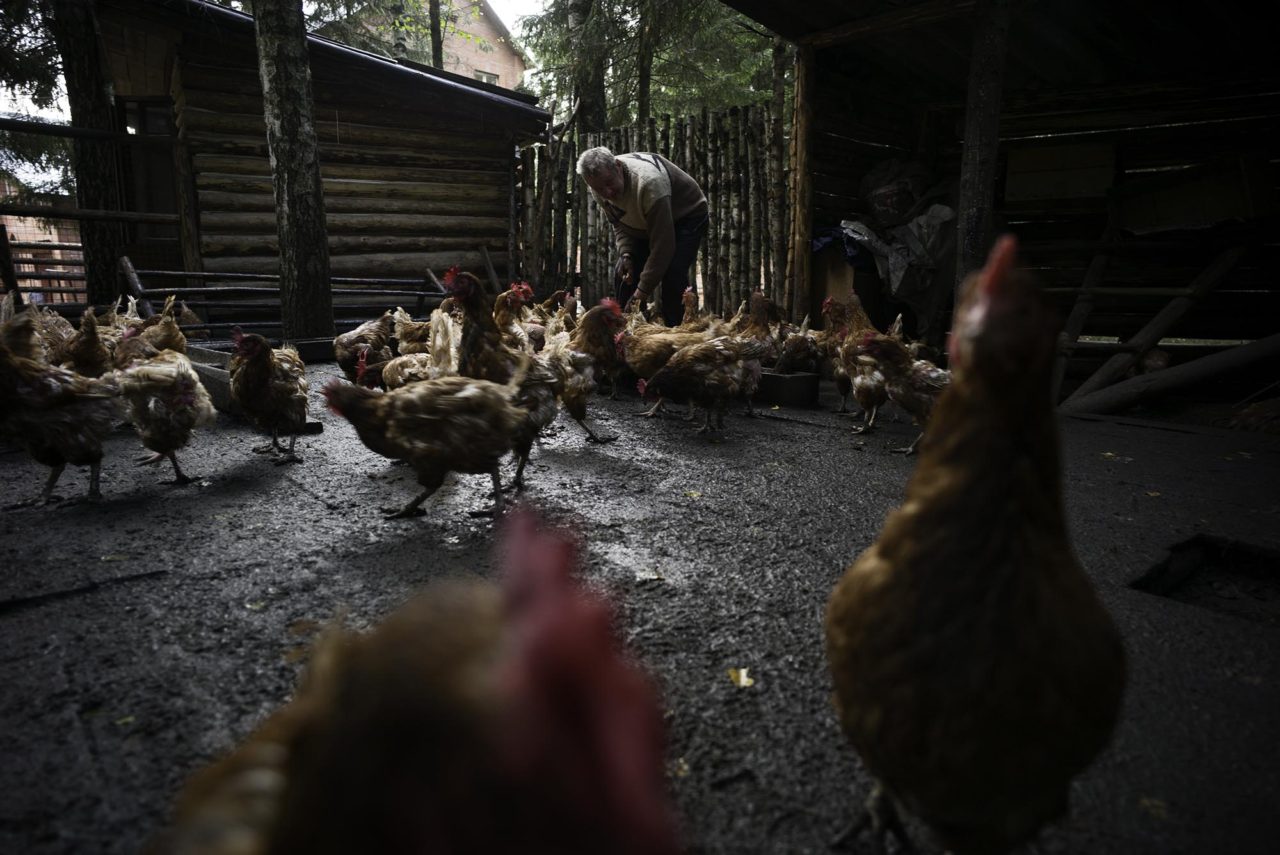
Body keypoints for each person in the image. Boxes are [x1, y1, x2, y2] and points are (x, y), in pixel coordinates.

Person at [576, 146, 708, 327]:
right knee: (624, 273)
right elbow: (620, 224)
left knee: (673, 274)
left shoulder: (649, 183)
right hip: (646, 220)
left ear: (618, 167)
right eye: (599, 188)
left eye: (609, 183)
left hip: (686, 214)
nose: (607, 193)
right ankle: (628, 329)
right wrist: (626, 254)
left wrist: (641, 293)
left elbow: (663, 247)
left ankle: (676, 331)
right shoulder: (597, 186)